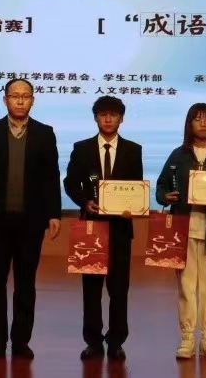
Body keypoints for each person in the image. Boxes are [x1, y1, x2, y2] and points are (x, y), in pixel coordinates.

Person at [0, 78, 63, 359]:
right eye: (15, 95)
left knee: (26, 284)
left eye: (25, 96)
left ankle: (21, 341)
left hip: (31, 223)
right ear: (5, 100)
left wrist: (54, 214)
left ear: (33, 100)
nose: (20, 100)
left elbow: (52, 177)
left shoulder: (45, 133)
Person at [155, 103, 206, 360]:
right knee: (186, 288)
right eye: (197, 119)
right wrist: (165, 196)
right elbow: (161, 186)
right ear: (189, 124)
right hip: (183, 230)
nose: (203, 124)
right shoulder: (178, 155)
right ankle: (187, 338)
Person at [63, 96, 143, 361]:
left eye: (113, 114)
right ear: (95, 118)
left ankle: (117, 340)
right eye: (103, 114)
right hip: (91, 227)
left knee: (119, 289)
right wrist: (84, 201)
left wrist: (134, 206)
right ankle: (93, 341)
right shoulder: (81, 148)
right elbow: (70, 183)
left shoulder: (133, 150)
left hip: (120, 228)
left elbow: (136, 187)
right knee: (91, 289)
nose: (108, 119)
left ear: (122, 118)